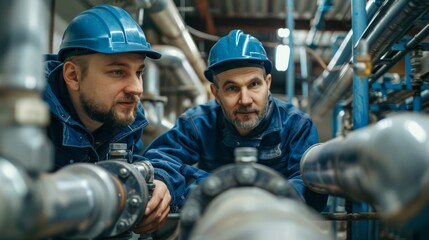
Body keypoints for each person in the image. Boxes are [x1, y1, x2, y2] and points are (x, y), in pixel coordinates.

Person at [144, 29, 328, 212]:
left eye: (254, 84)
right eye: (232, 88)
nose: (245, 100)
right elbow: (163, 159)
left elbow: (308, 186)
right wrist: (162, 179)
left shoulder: (297, 126)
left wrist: (219, 189)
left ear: (268, 83)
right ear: (216, 93)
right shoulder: (197, 124)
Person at [43, 4, 171, 235]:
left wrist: (159, 181)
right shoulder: (24, 118)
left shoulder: (127, 120)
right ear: (73, 76)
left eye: (139, 72)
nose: (137, 88)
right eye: (118, 72)